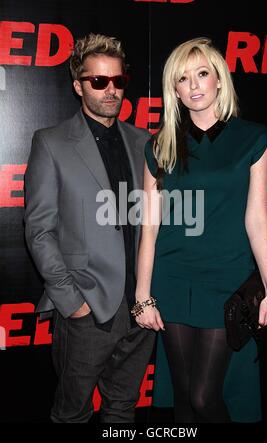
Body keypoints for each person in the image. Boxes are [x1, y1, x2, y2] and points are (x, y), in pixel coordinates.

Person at [134, 37, 267, 423]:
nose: (194, 85)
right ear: (175, 91)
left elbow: (257, 218)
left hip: (226, 279)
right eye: (183, 79)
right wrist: (143, 295)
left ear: (219, 80)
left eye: (202, 74)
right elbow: (149, 226)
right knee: (182, 396)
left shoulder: (254, 139)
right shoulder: (159, 146)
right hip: (173, 278)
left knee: (203, 396)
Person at [24, 33, 155, 423]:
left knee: (122, 410)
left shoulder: (143, 141)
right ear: (78, 84)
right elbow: (39, 230)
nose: (111, 90)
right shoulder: (51, 143)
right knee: (72, 414)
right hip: (87, 308)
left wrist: (149, 293)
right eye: (99, 81)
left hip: (141, 307)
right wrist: (72, 302)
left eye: (119, 81)